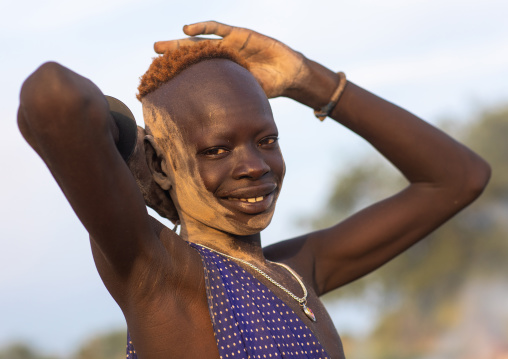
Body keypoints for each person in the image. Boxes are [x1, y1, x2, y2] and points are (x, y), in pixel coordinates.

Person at [18, 21, 490, 359]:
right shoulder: (162, 276)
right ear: (161, 163)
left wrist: (310, 81)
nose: (254, 166)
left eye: (266, 141)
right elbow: (50, 97)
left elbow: (459, 178)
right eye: (217, 150)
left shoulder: (296, 274)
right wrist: (133, 156)